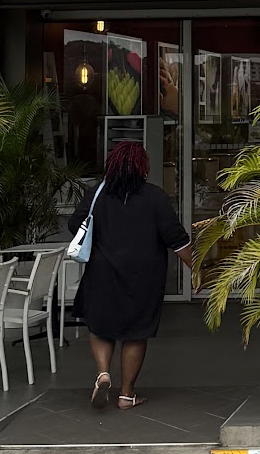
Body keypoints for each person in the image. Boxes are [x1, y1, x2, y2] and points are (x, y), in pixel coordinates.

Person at [70, 139, 191, 409]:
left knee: (100, 328)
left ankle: (103, 373)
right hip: (143, 277)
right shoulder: (154, 197)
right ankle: (126, 394)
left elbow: (74, 225)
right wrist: (200, 271)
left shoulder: (97, 194)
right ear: (142, 167)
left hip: (101, 272)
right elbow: (177, 239)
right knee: (136, 333)